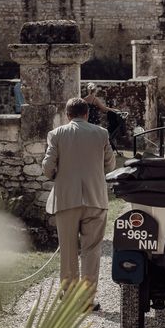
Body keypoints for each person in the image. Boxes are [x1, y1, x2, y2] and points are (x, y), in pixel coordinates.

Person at [42, 97, 116, 312]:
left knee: (67, 249)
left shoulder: (57, 134)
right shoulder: (101, 133)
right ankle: (87, 300)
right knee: (91, 251)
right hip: (95, 198)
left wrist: (58, 175)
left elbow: (47, 166)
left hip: (66, 198)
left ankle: (69, 296)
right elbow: (110, 164)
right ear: (86, 114)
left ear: (67, 115)